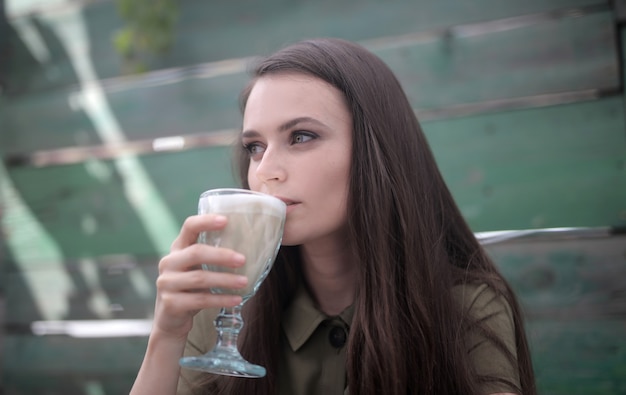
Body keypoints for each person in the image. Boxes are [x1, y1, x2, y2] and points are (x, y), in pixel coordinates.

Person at [131, 38, 536, 395]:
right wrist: (166, 337)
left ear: (374, 151)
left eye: (301, 136)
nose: (265, 169)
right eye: (254, 146)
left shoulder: (465, 307)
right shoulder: (221, 309)